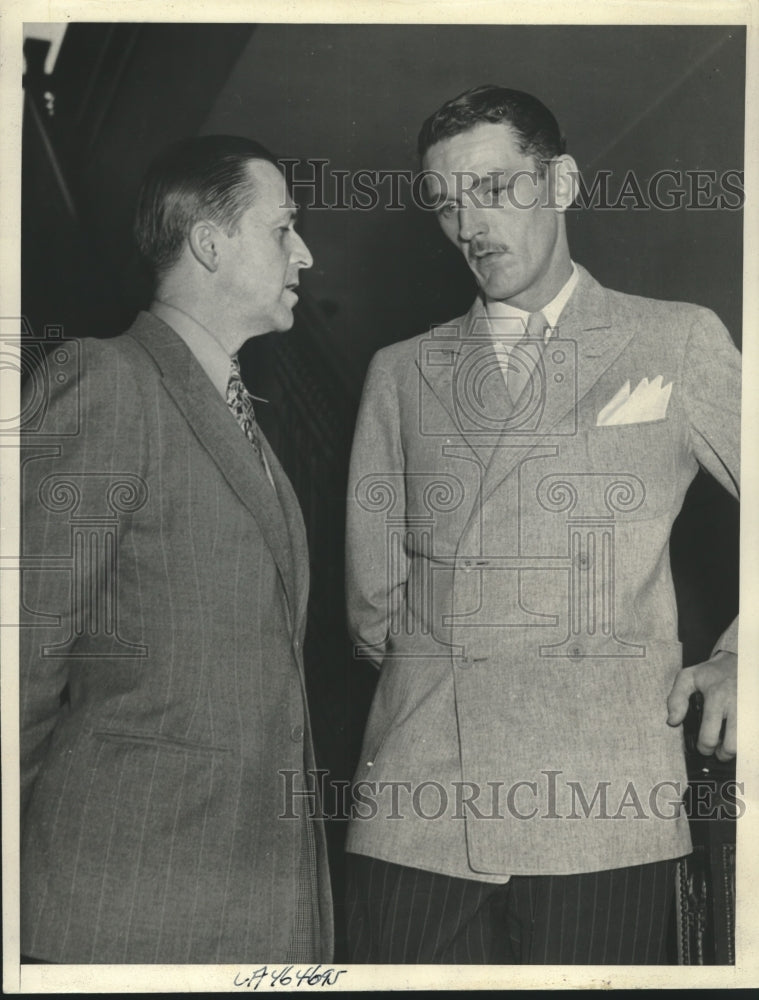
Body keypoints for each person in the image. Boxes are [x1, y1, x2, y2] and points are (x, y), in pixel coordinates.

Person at [344, 86, 739, 964]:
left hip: (598, 804)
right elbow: (374, 607)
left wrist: (740, 654)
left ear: (559, 182)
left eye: (493, 189)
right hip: (419, 804)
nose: (467, 224)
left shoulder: (672, 341)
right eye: (445, 203)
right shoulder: (399, 373)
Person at [19, 135, 333, 963]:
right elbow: (20, 647)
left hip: (247, 890)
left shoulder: (240, 413)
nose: (305, 253)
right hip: (124, 893)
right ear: (209, 240)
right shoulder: (106, 380)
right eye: (283, 228)